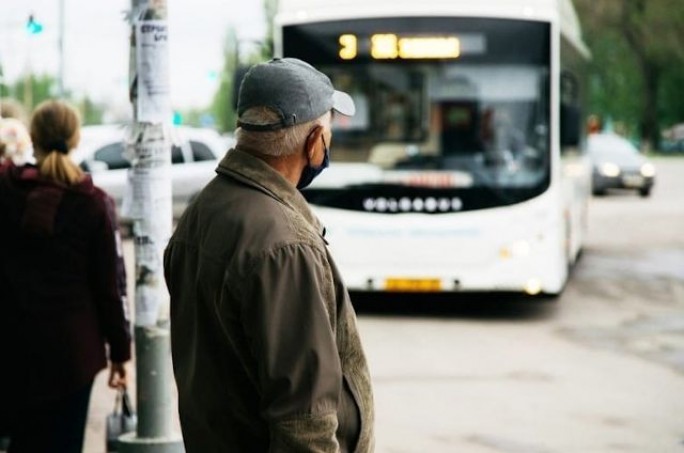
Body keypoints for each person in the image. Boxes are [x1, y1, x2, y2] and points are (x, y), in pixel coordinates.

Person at [164, 58, 375, 452]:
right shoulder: (285, 245)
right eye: (328, 131)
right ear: (314, 142)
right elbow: (304, 418)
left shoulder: (203, 209)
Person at [0, 100, 131, 453]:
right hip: (73, 356)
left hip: (13, 348)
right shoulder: (93, 202)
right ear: (75, 140)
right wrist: (120, 351)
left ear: (33, 138)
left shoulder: (6, 189)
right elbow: (109, 287)